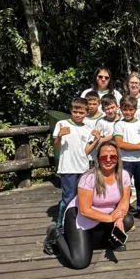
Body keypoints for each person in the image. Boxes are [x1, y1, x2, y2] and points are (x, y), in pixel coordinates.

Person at [43, 141, 135, 269]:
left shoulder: (124, 175)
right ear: (98, 159)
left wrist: (119, 218)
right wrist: (110, 218)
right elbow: (85, 210)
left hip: (105, 214)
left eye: (113, 157)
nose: (108, 160)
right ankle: (55, 233)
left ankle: (104, 239)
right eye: (104, 157)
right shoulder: (88, 178)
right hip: (80, 215)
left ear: (118, 159)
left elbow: (124, 201)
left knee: (127, 220)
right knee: (79, 262)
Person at [52, 97, 102, 229]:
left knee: (82, 198)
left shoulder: (87, 128)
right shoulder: (62, 124)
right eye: (75, 112)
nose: (78, 115)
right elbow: (56, 147)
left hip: (83, 168)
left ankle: (77, 223)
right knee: (68, 198)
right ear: (71, 110)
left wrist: (96, 140)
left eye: (81, 113)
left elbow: (86, 151)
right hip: (68, 168)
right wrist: (59, 136)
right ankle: (61, 226)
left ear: (86, 113)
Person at [114, 96, 140, 222]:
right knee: (124, 187)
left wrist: (139, 146)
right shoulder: (119, 124)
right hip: (125, 160)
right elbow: (120, 143)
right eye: (125, 110)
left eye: (131, 109)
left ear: (135, 110)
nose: (128, 112)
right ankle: (125, 211)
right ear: (121, 109)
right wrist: (139, 146)